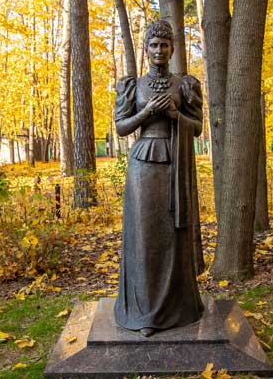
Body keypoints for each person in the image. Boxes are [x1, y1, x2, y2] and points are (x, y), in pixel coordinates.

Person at [113, 20, 204, 337]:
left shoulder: (184, 84)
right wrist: (148, 112)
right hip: (143, 166)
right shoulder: (133, 85)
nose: (159, 50)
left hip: (174, 166)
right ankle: (144, 312)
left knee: (172, 236)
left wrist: (176, 116)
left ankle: (177, 308)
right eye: (153, 45)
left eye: (164, 45)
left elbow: (198, 128)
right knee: (145, 236)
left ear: (172, 49)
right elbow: (122, 127)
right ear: (146, 49)